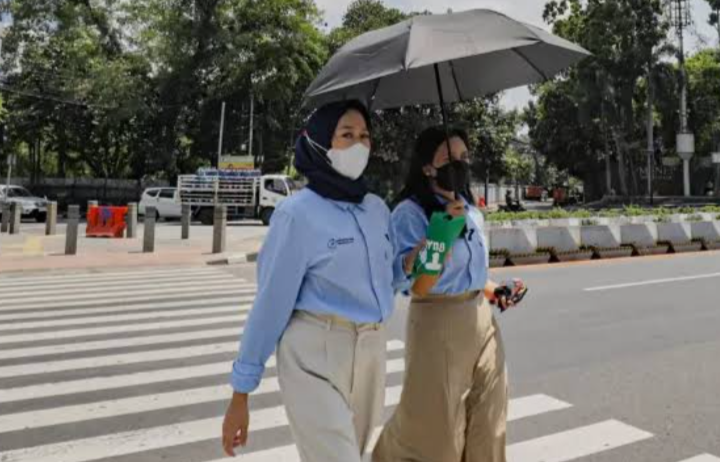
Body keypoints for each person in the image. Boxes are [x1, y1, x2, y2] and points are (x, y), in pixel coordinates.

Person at [222, 101, 400, 462]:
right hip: (314, 351)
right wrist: (241, 392)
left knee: (357, 452)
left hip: (371, 348)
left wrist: (424, 256)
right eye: (346, 135)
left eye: (364, 136)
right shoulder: (297, 214)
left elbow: (389, 280)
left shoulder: (376, 209)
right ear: (319, 144)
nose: (359, 145)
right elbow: (270, 305)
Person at [373, 126, 527, 462]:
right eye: (449, 158)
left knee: (490, 423)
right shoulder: (409, 213)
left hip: (481, 321)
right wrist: (440, 233)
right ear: (428, 167)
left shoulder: (471, 210)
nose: (459, 164)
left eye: (464, 157)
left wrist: (494, 290)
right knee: (436, 435)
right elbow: (419, 285)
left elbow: (470, 276)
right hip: (437, 324)